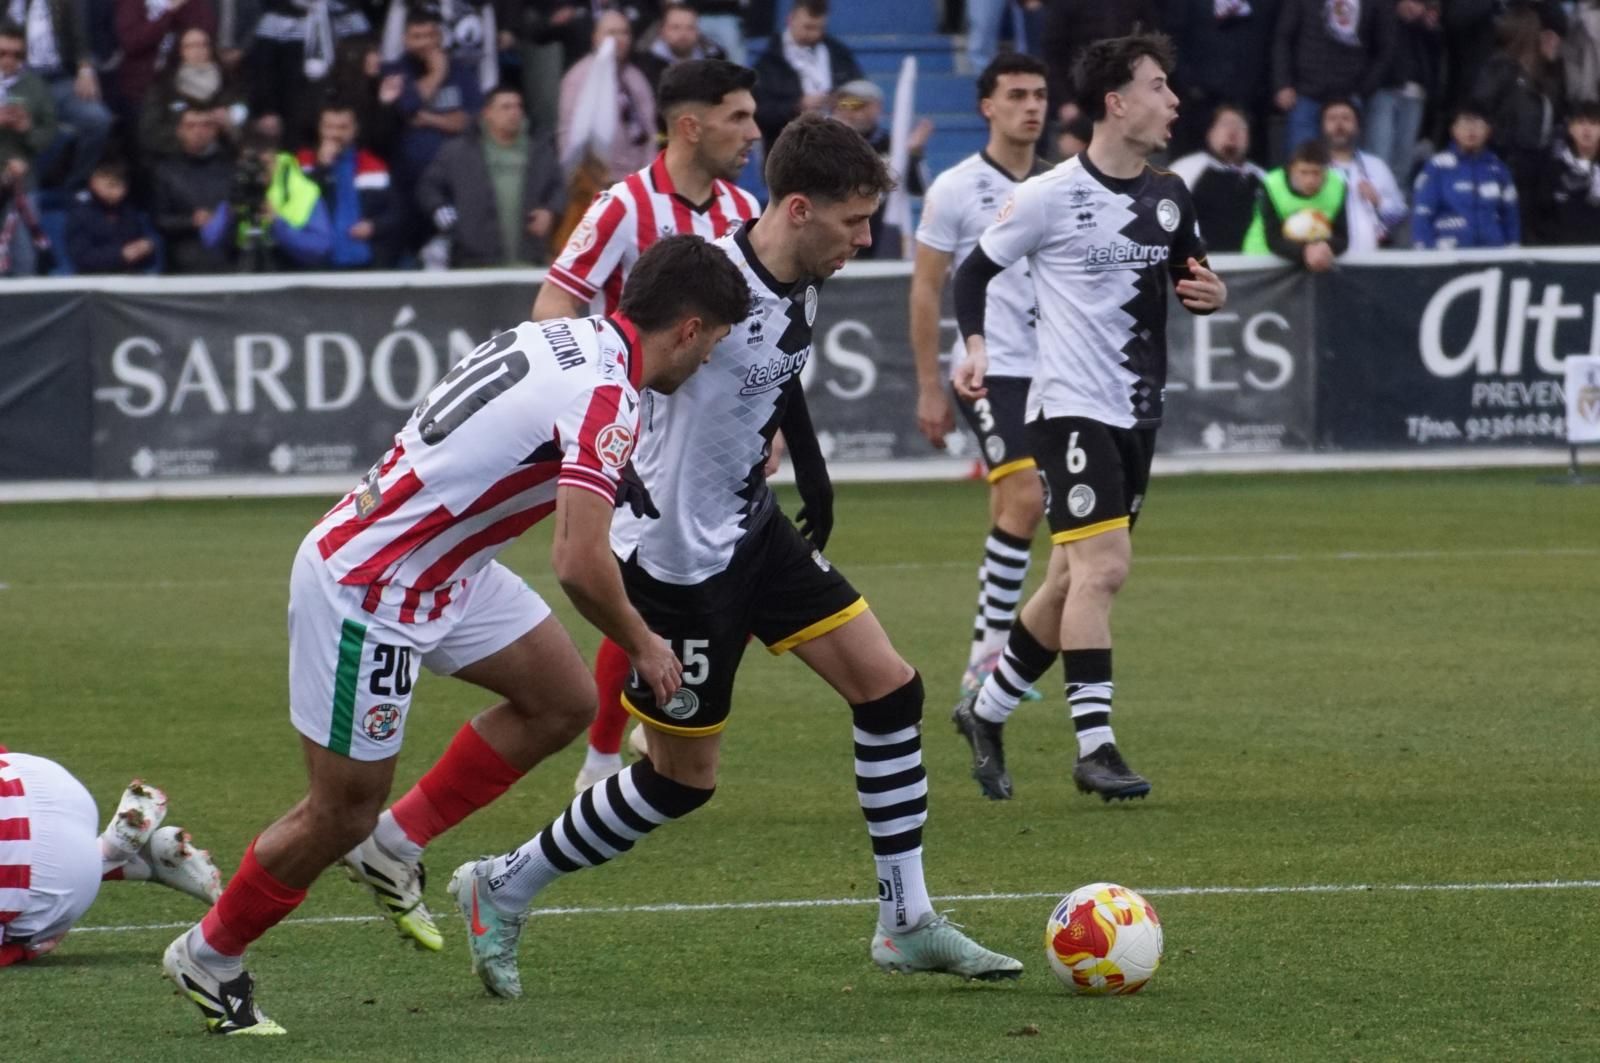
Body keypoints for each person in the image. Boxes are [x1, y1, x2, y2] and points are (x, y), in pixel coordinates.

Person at [445, 114, 1023, 998]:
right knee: (682, 782)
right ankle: (504, 881)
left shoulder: (804, 273)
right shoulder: (703, 288)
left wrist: (815, 476)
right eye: (854, 222)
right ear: (798, 208)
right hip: (677, 564)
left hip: (752, 526)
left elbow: (778, 373)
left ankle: (905, 920)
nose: (866, 240)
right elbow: (617, 379)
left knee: (890, 687)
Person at [160, 234, 753, 1036]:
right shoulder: (610, 392)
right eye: (713, 341)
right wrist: (645, 644)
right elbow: (579, 562)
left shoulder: (559, 333)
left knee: (562, 699)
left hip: (446, 568)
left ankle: (394, 844)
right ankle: (210, 953)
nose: (708, 359)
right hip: (371, 585)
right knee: (340, 811)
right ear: (687, 328)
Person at [950, 32, 1227, 803]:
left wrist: (1214, 293)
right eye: (1159, 87)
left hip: (1139, 409)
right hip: (1067, 406)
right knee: (1105, 569)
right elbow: (973, 273)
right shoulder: (1047, 196)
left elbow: (1192, 275)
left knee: (1071, 575)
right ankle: (1095, 747)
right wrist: (976, 348)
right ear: (1117, 102)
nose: (1174, 102)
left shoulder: (1170, 194)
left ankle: (987, 709)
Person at [537, 58, 760, 792]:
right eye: (738, 117)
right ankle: (604, 756)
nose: (753, 132)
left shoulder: (740, 213)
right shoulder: (621, 206)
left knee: (710, 582)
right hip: (632, 431)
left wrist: (770, 421)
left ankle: (641, 730)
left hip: (714, 441)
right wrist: (590, 399)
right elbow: (553, 304)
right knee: (636, 579)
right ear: (690, 125)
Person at [909, 52, 1051, 715]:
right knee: (1026, 496)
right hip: (987, 371)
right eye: (1017, 95)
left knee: (1011, 507)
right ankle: (993, 654)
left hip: (1057, 373)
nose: (1032, 106)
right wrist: (928, 387)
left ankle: (980, 661)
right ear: (987, 107)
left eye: (1040, 95)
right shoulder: (956, 188)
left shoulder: (1063, 184)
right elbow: (926, 287)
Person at [1, 749, 222, 968]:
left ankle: (99, 860)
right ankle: (116, 854)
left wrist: (23, 950)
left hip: (48, 880)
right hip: (38, 777)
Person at [418, 84, 564, 267]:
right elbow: (429, 187)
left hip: (528, 258)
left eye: (518, 106)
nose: (514, 112)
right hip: (475, 262)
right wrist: (442, 212)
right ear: (487, 113)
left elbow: (558, 186)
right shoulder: (459, 152)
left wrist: (550, 211)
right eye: (506, 107)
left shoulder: (539, 151)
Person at [1271, 0, 1395, 159]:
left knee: (1345, 166)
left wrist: (1363, 89)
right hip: (1306, 95)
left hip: (1348, 99)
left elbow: (1385, 48)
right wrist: (1283, 84)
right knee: (1302, 162)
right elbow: (1284, 37)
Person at [831, 77, 930, 258]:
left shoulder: (893, 145)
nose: (848, 111)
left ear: (876, 107)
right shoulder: (823, 143)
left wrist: (913, 154)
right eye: (842, 104)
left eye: (855, 104)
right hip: (836, 235)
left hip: (882, 234)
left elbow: (919, 189)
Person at [556, 9, 655, 185]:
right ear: (595, 38)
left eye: (624, 33)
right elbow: (568, 134)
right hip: (595, 181)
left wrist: (648, 178)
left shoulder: (637, 78)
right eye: (611, 33)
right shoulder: (578, 77)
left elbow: (650, 134)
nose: (618, 39)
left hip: (637, 182)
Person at [752, 0, 862, 150]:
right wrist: (797, 106)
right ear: (790, 20)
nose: (814, 34)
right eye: (808, 27)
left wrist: (840, 104)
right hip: (789, 149)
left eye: (820, 28)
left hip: (837, 145)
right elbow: (759, 114)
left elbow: (861, 100)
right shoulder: (768, 63)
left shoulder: (840, 55)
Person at [296, 102, 395, 269]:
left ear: (355, 129)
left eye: (343, 128)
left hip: (365, 262)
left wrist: (374, 226)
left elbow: (395, 211)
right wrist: (322, 167)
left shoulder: (373, 165)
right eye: (329, 127)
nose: (335, 134)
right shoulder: (303, 163)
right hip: (315, 263)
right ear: (320, 128)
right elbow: (298, 208)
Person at [1411, 105, 1520, 249]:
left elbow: (1510, 215)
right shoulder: (1437, 167)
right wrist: (1423, 248)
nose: (1471, 130)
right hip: (1447, 254)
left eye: (1478, 125)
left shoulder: (1498, 169)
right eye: (1465, 124)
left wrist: (1513, 247)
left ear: (1488, 131)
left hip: (1493, 254)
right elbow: (1422, 213)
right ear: (1454, 130)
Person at [0, 21, 57, 276]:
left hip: (22, 182)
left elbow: (49, 134)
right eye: (2, 52)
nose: (9, 59)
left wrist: (27, 129)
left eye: (17, 54)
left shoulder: (35, 86)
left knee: (24, 257)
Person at [1169, 102, 1265, 252]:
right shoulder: (1187, 169)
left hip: (1252, 266)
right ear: (1210, 133)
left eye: (1240, 126)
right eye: (1225, 124)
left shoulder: (1261, 177)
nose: (1233, 131)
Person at [1241, 139, 1348, 271]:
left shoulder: (1337, 186)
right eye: (1303, 172)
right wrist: (1305, 252)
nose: (1310, 180)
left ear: (1326, 170)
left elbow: (1342, 237)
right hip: (1265, 261)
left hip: (1318, 261)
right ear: (1292, 169)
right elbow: (1273, 238)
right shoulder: (1272, 185)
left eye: (1316, 173)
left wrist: (1327, 247)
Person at [150, 105, 232, 272]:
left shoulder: (229, 168)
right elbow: (159, 219)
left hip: (227, 257)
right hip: (183, 259)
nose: (199, 132)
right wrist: (191, 221)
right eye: (191, 126)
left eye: (206, 125)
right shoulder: (165, 171)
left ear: (215, 130)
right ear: (179, 131)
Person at [1319, 98, 1404, 252]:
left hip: (1369, 260)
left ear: (1357, 127)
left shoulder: (1376, 166)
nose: (1339, 125)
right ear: (1322, 127)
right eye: (1332, 119)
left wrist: (1379, 201)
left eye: (1346, 118)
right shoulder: (1311, 167)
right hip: (1323, 259)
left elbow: (1399, 215)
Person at [64, 157, 156, 272]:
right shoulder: (80, 214)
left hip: (131, 277)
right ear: (94, 182)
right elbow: (81, 258)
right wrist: (120, 255)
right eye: (111, 185)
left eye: (122, 186)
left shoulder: (128, 211)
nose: (118, 192)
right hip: (95, 280)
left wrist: (145, 249)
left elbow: (144, 252)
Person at [1532, 100, 1600, 244]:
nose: (1587, 129)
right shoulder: (1552, 169)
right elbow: (1540, 215)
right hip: (1563, 253)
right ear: (1571, 128)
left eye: (1594, 123)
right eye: (1581, 122)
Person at [635, 2, 726, 90]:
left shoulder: (716, 59)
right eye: (675, 27)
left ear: (698, 31)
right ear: (662, 31)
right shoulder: (646, 64)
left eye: (690, 27)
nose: (683, 34)